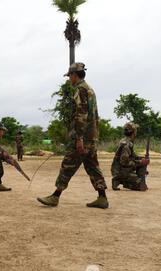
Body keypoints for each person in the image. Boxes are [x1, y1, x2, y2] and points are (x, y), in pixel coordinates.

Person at [37, 63, 109, 209]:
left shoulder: (80, 89)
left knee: (68, 165)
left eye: (70, 76)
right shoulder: (89, 90)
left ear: (75, 75)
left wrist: (79, 138)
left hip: (83, 137)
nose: (69, 78)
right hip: (92, 136)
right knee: (92, 166)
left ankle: (55, 196)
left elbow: (81, 115)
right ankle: (102, 198)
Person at [111, 122, 149, 191]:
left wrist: (142, 159)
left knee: (142, 160)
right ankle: (120, 180)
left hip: (121, 170)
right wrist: (140, 162)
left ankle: (122, 180)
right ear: (133, 132)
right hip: (121, 171)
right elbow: (124, 162)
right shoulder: (126, 145)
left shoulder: (125, 141)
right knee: (141, 187)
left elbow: (133, 156)